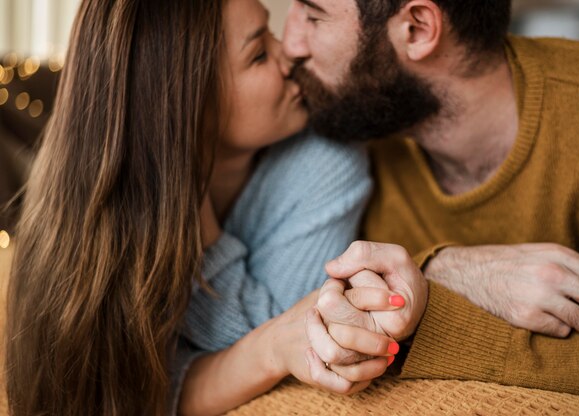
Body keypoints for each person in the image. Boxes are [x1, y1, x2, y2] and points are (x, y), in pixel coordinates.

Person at [5, 0, 402, 415]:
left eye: (270, 31)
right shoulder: (86, 213)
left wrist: (203, 235)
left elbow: (291, 349)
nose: (290, 54)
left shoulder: (327, 160)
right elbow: (102, 391)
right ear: (187, 106)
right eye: (259, 54)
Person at [280, 0, 579, 400]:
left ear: (417, 28)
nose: (290, 44)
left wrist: (428, 311)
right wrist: (444, 270)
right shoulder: (346, 126)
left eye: (313, 16)